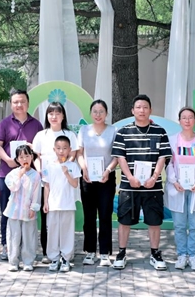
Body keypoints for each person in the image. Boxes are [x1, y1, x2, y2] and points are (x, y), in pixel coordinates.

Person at [111, 94, 172, 270]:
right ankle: (121, 253)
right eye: (138, 107)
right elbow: (120, 157)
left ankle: (155, 253)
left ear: (150, 110)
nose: (142, 110)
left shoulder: (160, 131)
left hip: (153, 186)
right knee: (124, 221)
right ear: (132, 110)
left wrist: (154, 177)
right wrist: (130, 177)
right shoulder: (123, 132)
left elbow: (163, 157)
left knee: (155, 221)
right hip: (129, 186)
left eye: (145, 107)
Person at [0, 89, 43, 261]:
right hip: (7, 173)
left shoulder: (37, 125)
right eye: (15, 102)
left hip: (30, 176)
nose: (19, 105)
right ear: (11, 104)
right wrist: (8, 160)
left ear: (28, 103)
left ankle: (26, 248)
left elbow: (40, 149)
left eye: (22, 101)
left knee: (28, 210)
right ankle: (7, 246)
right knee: (8, 211)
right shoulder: (4, 124)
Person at [32, 101, 79, 263]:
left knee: (64, 219)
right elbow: (36, 156)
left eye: (57, 113)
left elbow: (73, 155)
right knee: (48, 217)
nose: (54, 117)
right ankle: (49, 253)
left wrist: (64, 167)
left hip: (64, 180)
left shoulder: (69, 134)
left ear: (63, 116)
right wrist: (40, 170)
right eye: (50, 113)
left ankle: (66, 254)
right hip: (46, 180)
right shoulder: (41, 135)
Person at [165, 107, 195, 271]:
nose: (187, 120)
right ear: (179, 121)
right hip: (177, 187)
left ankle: (193, 255)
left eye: (190, 117)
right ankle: (182, 255)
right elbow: (168, 162)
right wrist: (173, 180)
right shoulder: (172, 140)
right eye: (184, 117)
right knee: (179, 224)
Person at [76, 100, 117, 267]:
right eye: (95, 111)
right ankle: (90, 251)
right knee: (89, 215)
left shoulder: (113, 131)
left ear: (106, 113)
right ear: (90, 113)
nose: (98, 115)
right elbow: (79, 153)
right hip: (87, 178)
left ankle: (105, 253)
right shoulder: (84, 130)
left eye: (101, 111)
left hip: (107, 178)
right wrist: (84, 168)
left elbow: (117, 156)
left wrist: (108, 170)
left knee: (105, 215)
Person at [43, 135, 81, 272]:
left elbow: (75, 184)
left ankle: (66, 258)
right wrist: (45, 202)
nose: (61, 151)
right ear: (54, 149)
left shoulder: (73, 166)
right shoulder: (49, 166)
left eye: (65, 148)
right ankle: (54, 258)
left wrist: (67, 173)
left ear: (70, 150)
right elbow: (47, 185)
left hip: (68, 204)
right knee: (52, 232)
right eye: (58, 148)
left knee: (67, 232)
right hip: (53, 204)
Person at [4, 144, 42, 272]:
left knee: (29, 237)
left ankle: (28, 261)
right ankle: (13, 261)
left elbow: (37, 194)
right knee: (14, 237)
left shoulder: (35, 175)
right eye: (21, 157)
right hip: (14, 211)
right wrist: (20, 175)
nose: (24, 159)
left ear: (31, 157)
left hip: (28, 211)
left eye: (27, 156)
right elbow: (13, 187)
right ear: (17, 159)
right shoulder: (12, 174)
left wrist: (33, 208)